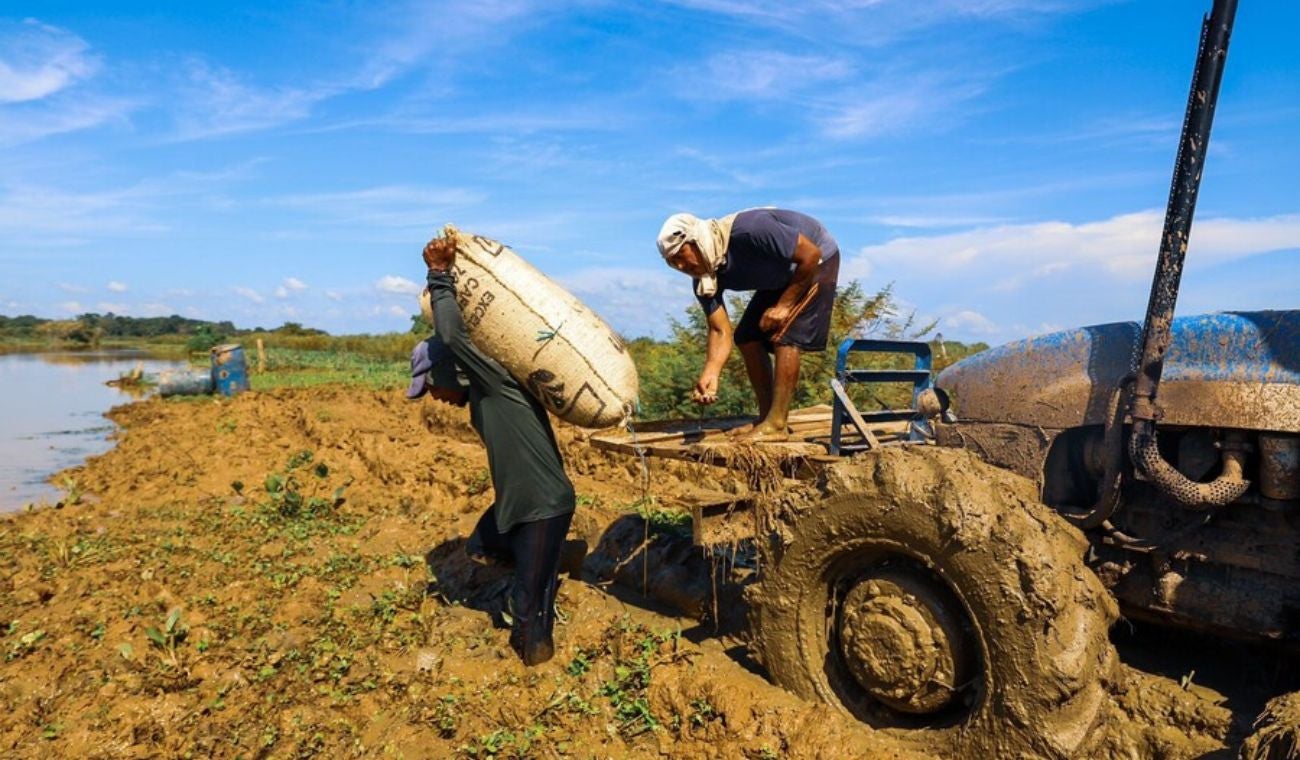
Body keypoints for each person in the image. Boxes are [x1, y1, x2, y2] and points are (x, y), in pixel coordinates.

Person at [407, 235, 577, 666]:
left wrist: (439, 276)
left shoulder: (494, 382)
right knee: (481, 545)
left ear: (450, 370)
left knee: (530, 616)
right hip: (516, 505)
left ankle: (535, 671)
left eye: (430, 386)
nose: (434, 397)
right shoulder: (481, 398)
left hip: (543, 507)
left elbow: (450, 333)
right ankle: (536, 568)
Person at [657, 208, 840, 441]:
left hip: (817, 259)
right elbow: (719, 329)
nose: (681, 267)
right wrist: (711, 373)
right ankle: (766, 417)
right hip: (782, 276)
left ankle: (777, 424)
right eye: (672, 263)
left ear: (697, 241)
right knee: (747, 336)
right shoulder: (705, 281)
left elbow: (810, 255)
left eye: (681, 255)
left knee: (785, 334)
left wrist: (783, 307)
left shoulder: (750, 230)